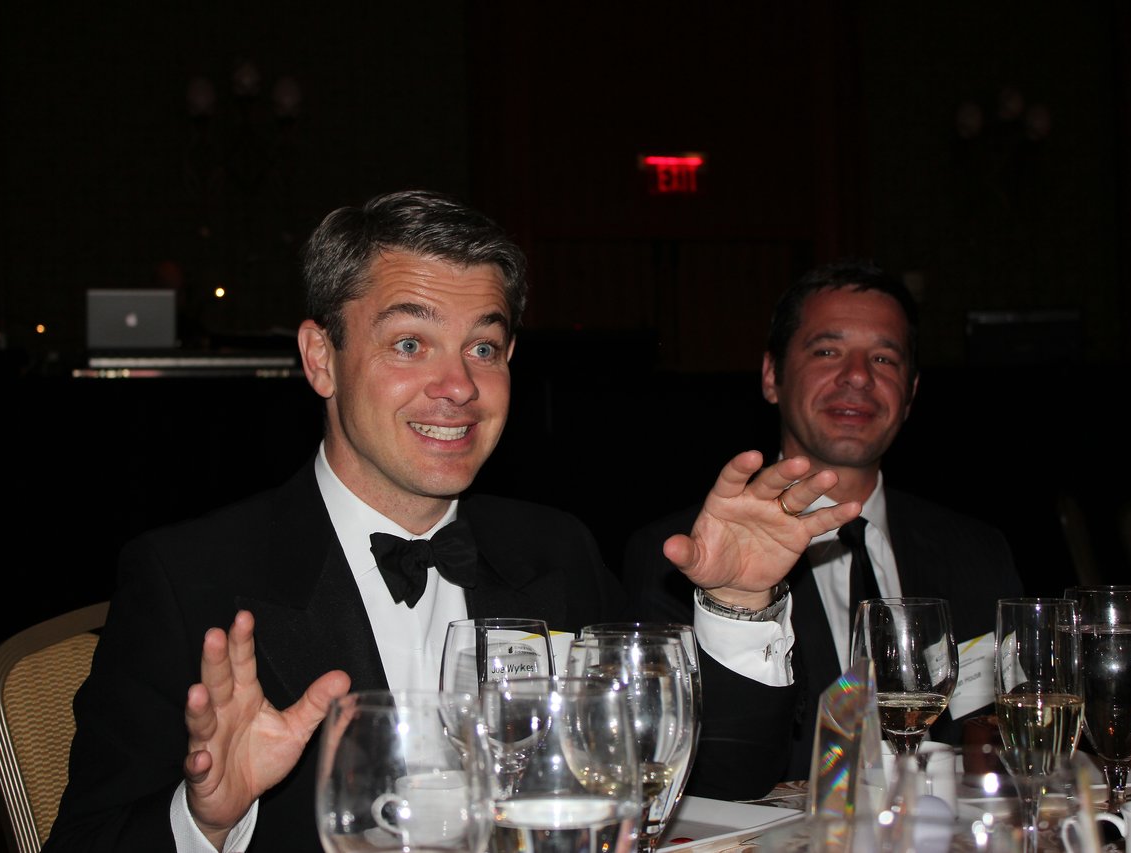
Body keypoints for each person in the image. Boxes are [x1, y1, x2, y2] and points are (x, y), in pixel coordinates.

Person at [44, 191, 859, 852]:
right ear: (320, 357)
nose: (458, 386)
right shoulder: (192, 579)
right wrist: (208, 819)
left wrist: (742, 604)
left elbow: (719, 778)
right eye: (409, 343)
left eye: (484, 347)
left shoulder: (553, 549)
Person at [622, 259, 1024, 792]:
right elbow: (692, 770)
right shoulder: (683, 556)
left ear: (910, 394)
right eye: (827, 351)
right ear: (772, 377)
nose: (858, 375)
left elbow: (1011, 743)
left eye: (884, 357)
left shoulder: (977, 549)